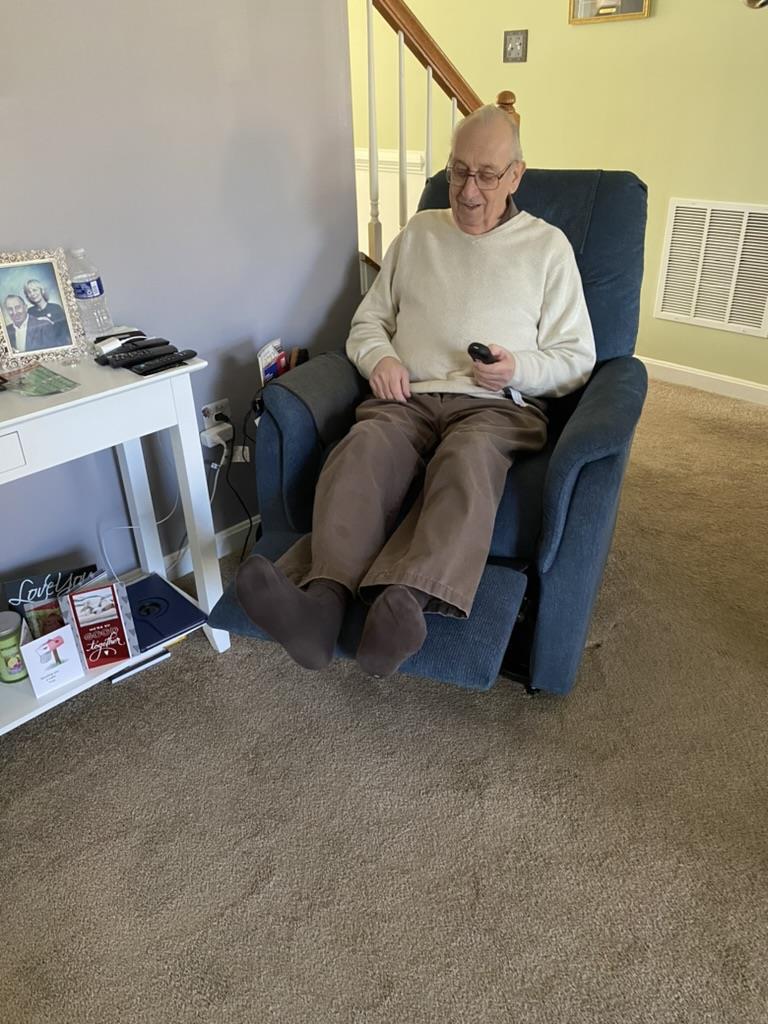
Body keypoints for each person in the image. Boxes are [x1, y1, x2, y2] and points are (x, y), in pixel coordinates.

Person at [236, 104, 596, 677]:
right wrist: (379, 357)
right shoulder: (419, 234)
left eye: (485, 175)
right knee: (364, 447)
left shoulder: (547, 249)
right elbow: (368, 321)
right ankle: (321, 609)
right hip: (408, 398)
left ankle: (402, 604)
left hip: (494, 408)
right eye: (457, 171)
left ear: (516, 176)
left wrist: (518, 369)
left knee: (469, 461)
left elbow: (578, 359)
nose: (468, 191)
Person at [23, 279, 69, 346]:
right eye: (29, 292)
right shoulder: (29, 312)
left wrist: (49, 323)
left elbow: (65, 332)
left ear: (42, 291)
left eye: (35, 290)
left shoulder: (56, 308)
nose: (32, 294)